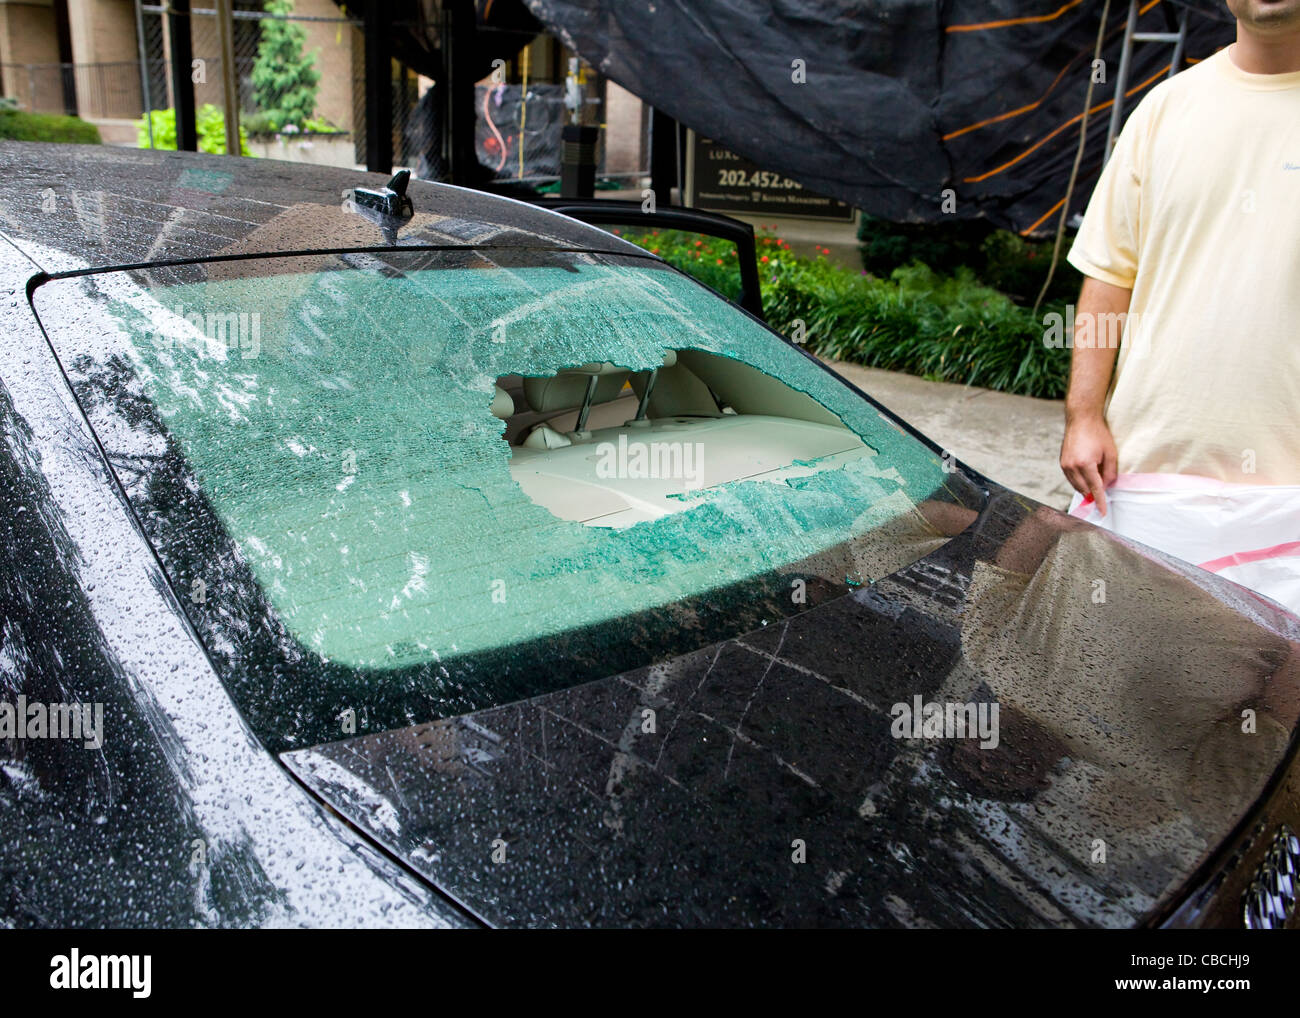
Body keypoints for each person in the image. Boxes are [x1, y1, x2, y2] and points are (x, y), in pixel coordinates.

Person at [1060, 0, 1300, 610]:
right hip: (1146, 484)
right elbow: (1110, 274)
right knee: (1132, 697)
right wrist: (1083, 416)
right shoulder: (1167, 109)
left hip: (1292, 498)